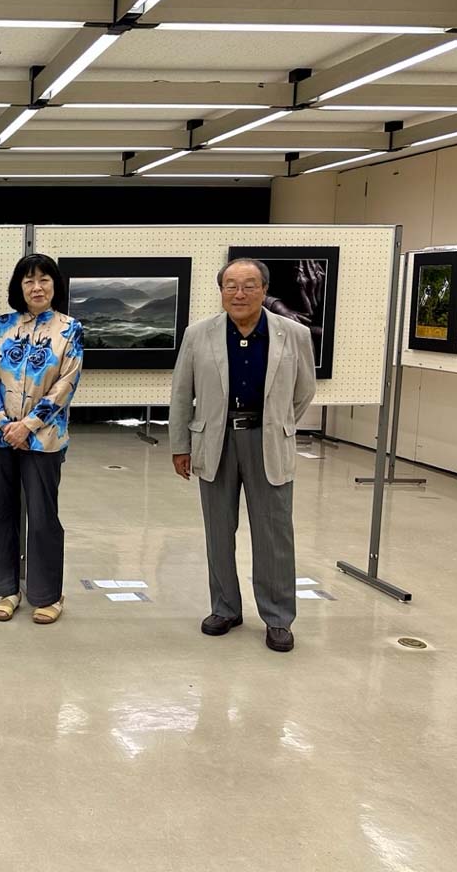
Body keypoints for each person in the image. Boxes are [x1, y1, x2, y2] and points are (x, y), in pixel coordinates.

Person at [169, 257, 316, 653]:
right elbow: (183, 393)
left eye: (249, 285)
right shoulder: (198, 334)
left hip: (267, 442)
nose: (239, 293)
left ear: (265, 290)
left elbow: (304, 392)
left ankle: (278, 618)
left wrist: (276, 423)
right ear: (221, 292)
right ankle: (225, 608)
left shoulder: (293, 334)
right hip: (215, 441)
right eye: (230, 285)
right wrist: (180, 445)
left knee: (274, 535)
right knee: (218, 531)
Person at [0, 254, 83, 625]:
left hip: (45, 439)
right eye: (28, 281)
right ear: (18, 287)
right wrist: (7, 423)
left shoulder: (69, 329)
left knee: (42, 517)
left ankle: (47, 594)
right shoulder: (1, 326)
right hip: (0, 434)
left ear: (55, 286)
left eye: (43, 280)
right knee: (0, 512)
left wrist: (29, 426)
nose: (36, 287)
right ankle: (7, 589)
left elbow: (66, 384)